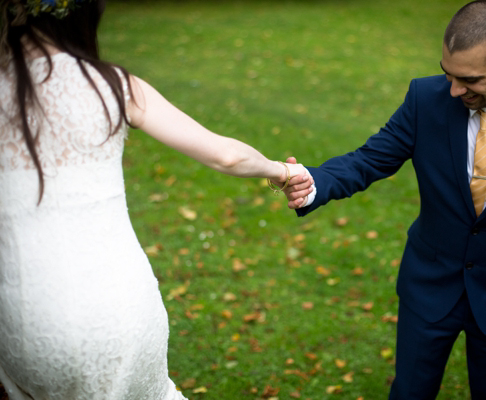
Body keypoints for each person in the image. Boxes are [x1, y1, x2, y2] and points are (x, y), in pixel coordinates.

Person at [283, 1, 486, 399]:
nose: (454, 90)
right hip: (429, 285)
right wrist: (313, 180)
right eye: (448, 74)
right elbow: (369, 159)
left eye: (469, 79)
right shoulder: (425, 98)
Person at [0, 0, 309, 399]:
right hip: (114, 307)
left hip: (19, 318)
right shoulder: (110, 84)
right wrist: (283, 172)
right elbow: (226, 155)